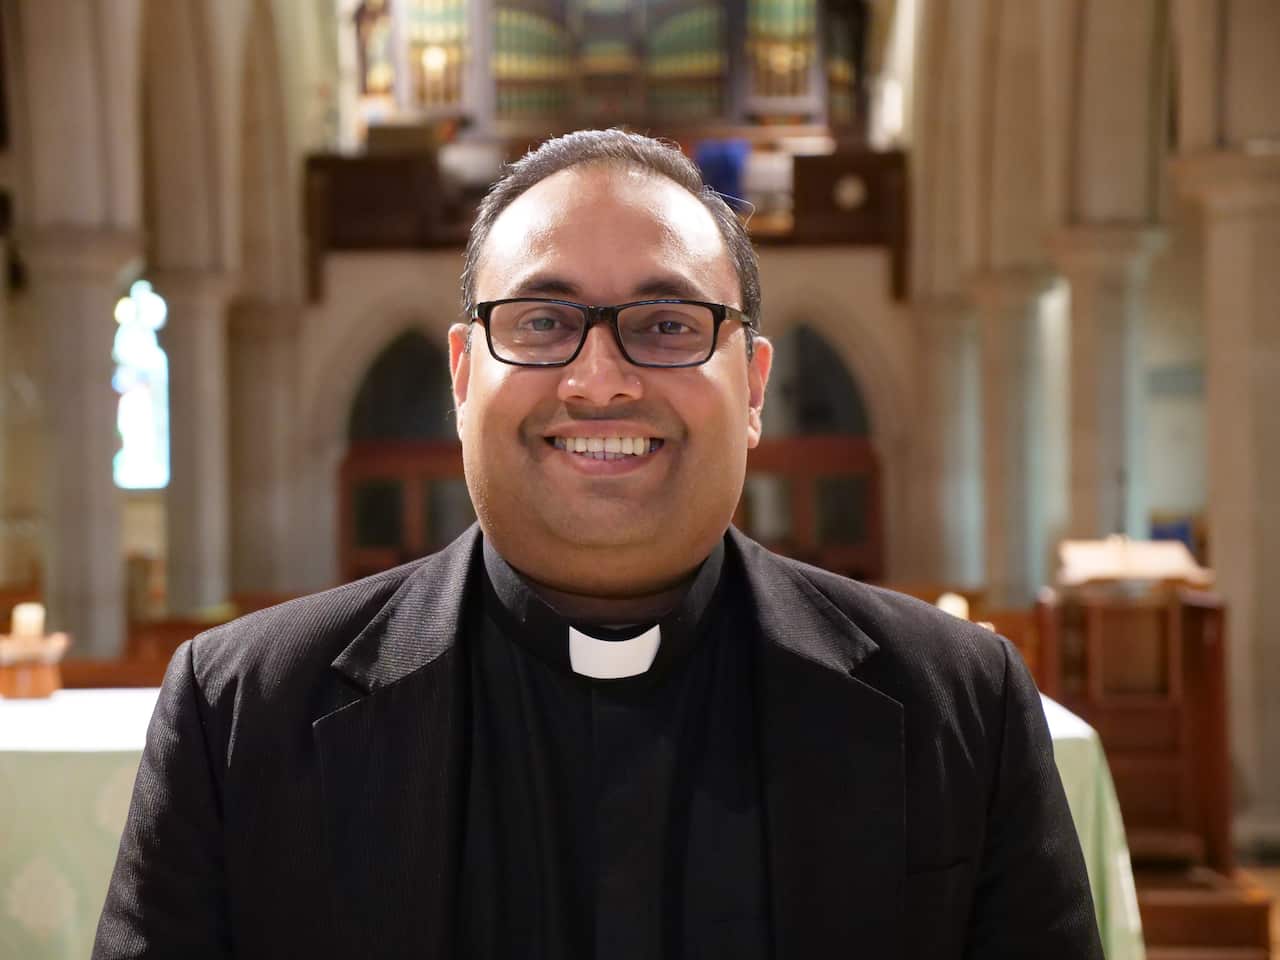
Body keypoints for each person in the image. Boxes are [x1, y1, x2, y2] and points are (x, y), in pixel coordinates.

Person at [94, 129, 1103, 959]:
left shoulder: (958, 704)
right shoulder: (241, 713)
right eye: (541, 322)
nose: (601, 380)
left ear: (752, 386)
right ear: (462, 377)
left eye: (666, 324)